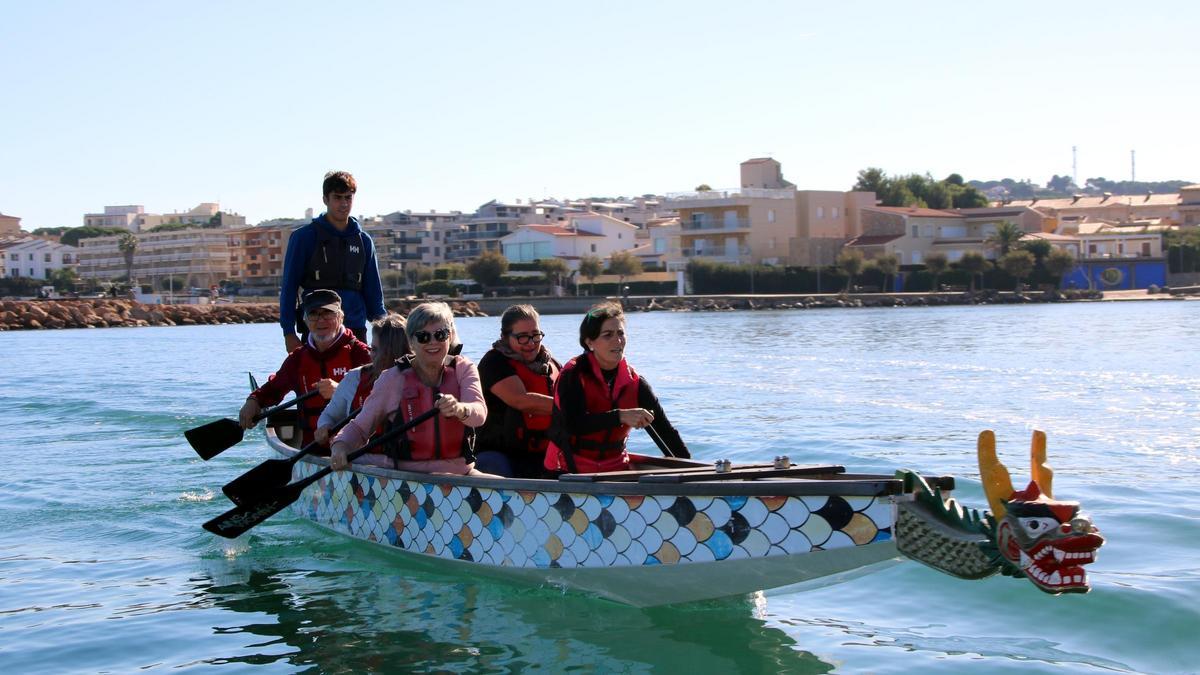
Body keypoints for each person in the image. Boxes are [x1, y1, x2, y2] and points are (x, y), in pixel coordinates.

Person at [329, 302, 489, 475]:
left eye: (440, 335)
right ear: (411, 341)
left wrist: (460, 409)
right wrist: (340, 446)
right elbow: (360, 428)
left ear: (450, 337)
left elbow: (479, 414)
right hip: (406, 476)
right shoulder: (392, 378)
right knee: (349, 456)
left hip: (460, 474)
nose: (433, 342)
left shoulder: (463, 369)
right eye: (423, 337)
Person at [546, 302, 689, 474]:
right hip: (566, 470)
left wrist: (691, 468)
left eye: (621, 333)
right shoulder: (573, 375)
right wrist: (620, 416)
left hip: (615, 470)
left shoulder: (636, 383)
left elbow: (666, 432)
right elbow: (572, 424)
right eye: (608, 335)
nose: (618, 340)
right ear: (590, 342)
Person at [240, 289, 371, 448]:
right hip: (312, 447)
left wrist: (341, 392)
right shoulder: (297, 359)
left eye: (327, 313)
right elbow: (272, 389)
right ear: (306, 321)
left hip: (357, 449)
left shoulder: (362, 355)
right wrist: (253, 401)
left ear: (340, 317)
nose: (320, 320)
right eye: (314, 314)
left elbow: (381, 400)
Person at [279, 170, 386, 352]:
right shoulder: (304, 238)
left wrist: (387, 333)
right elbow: (289, 288)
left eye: (348, 198)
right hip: (316, 330)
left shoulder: (364, 241)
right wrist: (289, 333)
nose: (344, 204)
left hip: (355, 332)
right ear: (325, 199)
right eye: (337, 197)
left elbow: (374, 297)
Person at [475, 304, 561, 478]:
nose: (531, 343)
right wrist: (575, 409)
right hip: (502, 454)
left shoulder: (552, 365)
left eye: (535, 336)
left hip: (545, 453)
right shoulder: (493, 363)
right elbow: (521, 400)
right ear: (505, 337)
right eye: (522, 337)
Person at [313, 313, 410, 446]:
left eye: (376, 350)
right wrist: (325, 426)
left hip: (402, 462)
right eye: (372, 349)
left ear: (393, 352)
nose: (372, 355)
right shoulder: (354, 378)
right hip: (361, 459)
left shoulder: (420, 379)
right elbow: (329, 415)